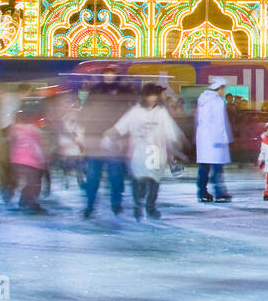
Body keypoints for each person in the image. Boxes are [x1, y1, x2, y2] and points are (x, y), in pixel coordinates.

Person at [107, 83, 186, 220]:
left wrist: (176, 140)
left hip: (156, 152)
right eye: (149, 96)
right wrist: (111, 135)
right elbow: (121, 126)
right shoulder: (135, 112)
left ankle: (151, 208)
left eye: (154, 96)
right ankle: (138, 205)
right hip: (139, 152)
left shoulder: (161, 112)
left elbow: (169, 130)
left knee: (154, 183)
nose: (152, 99)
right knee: (140, 181)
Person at [78, 66, 133, 217]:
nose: (109, 77)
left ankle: (115, 204)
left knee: (115, 174)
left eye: (111, 75)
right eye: (106, 75)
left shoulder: (122, 92)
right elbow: (85, 114)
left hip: (114, 139)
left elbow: (127, 115)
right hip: (96, 140)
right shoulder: (95, 91)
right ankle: (90, 204)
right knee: (94, 175)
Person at [194, 76, 233, 203]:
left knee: (204, 166)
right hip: (215, 139)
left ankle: (202, 192)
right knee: (217, 167)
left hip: (203, 139)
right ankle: (220, 192)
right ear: (220, 88)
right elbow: (220, 122)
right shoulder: (217, 101)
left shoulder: (203, 100)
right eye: (223, 88)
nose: (224, 91)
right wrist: (224, 139)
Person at [8, 107, 49, 213]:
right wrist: (42, 160)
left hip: (17, 161)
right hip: (32, 162)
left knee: (28, 183)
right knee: (33, 183)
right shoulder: (35, 131)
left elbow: (11, 143)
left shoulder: (14, 129)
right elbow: (37, 147)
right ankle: (30, 203)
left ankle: (23, 200)